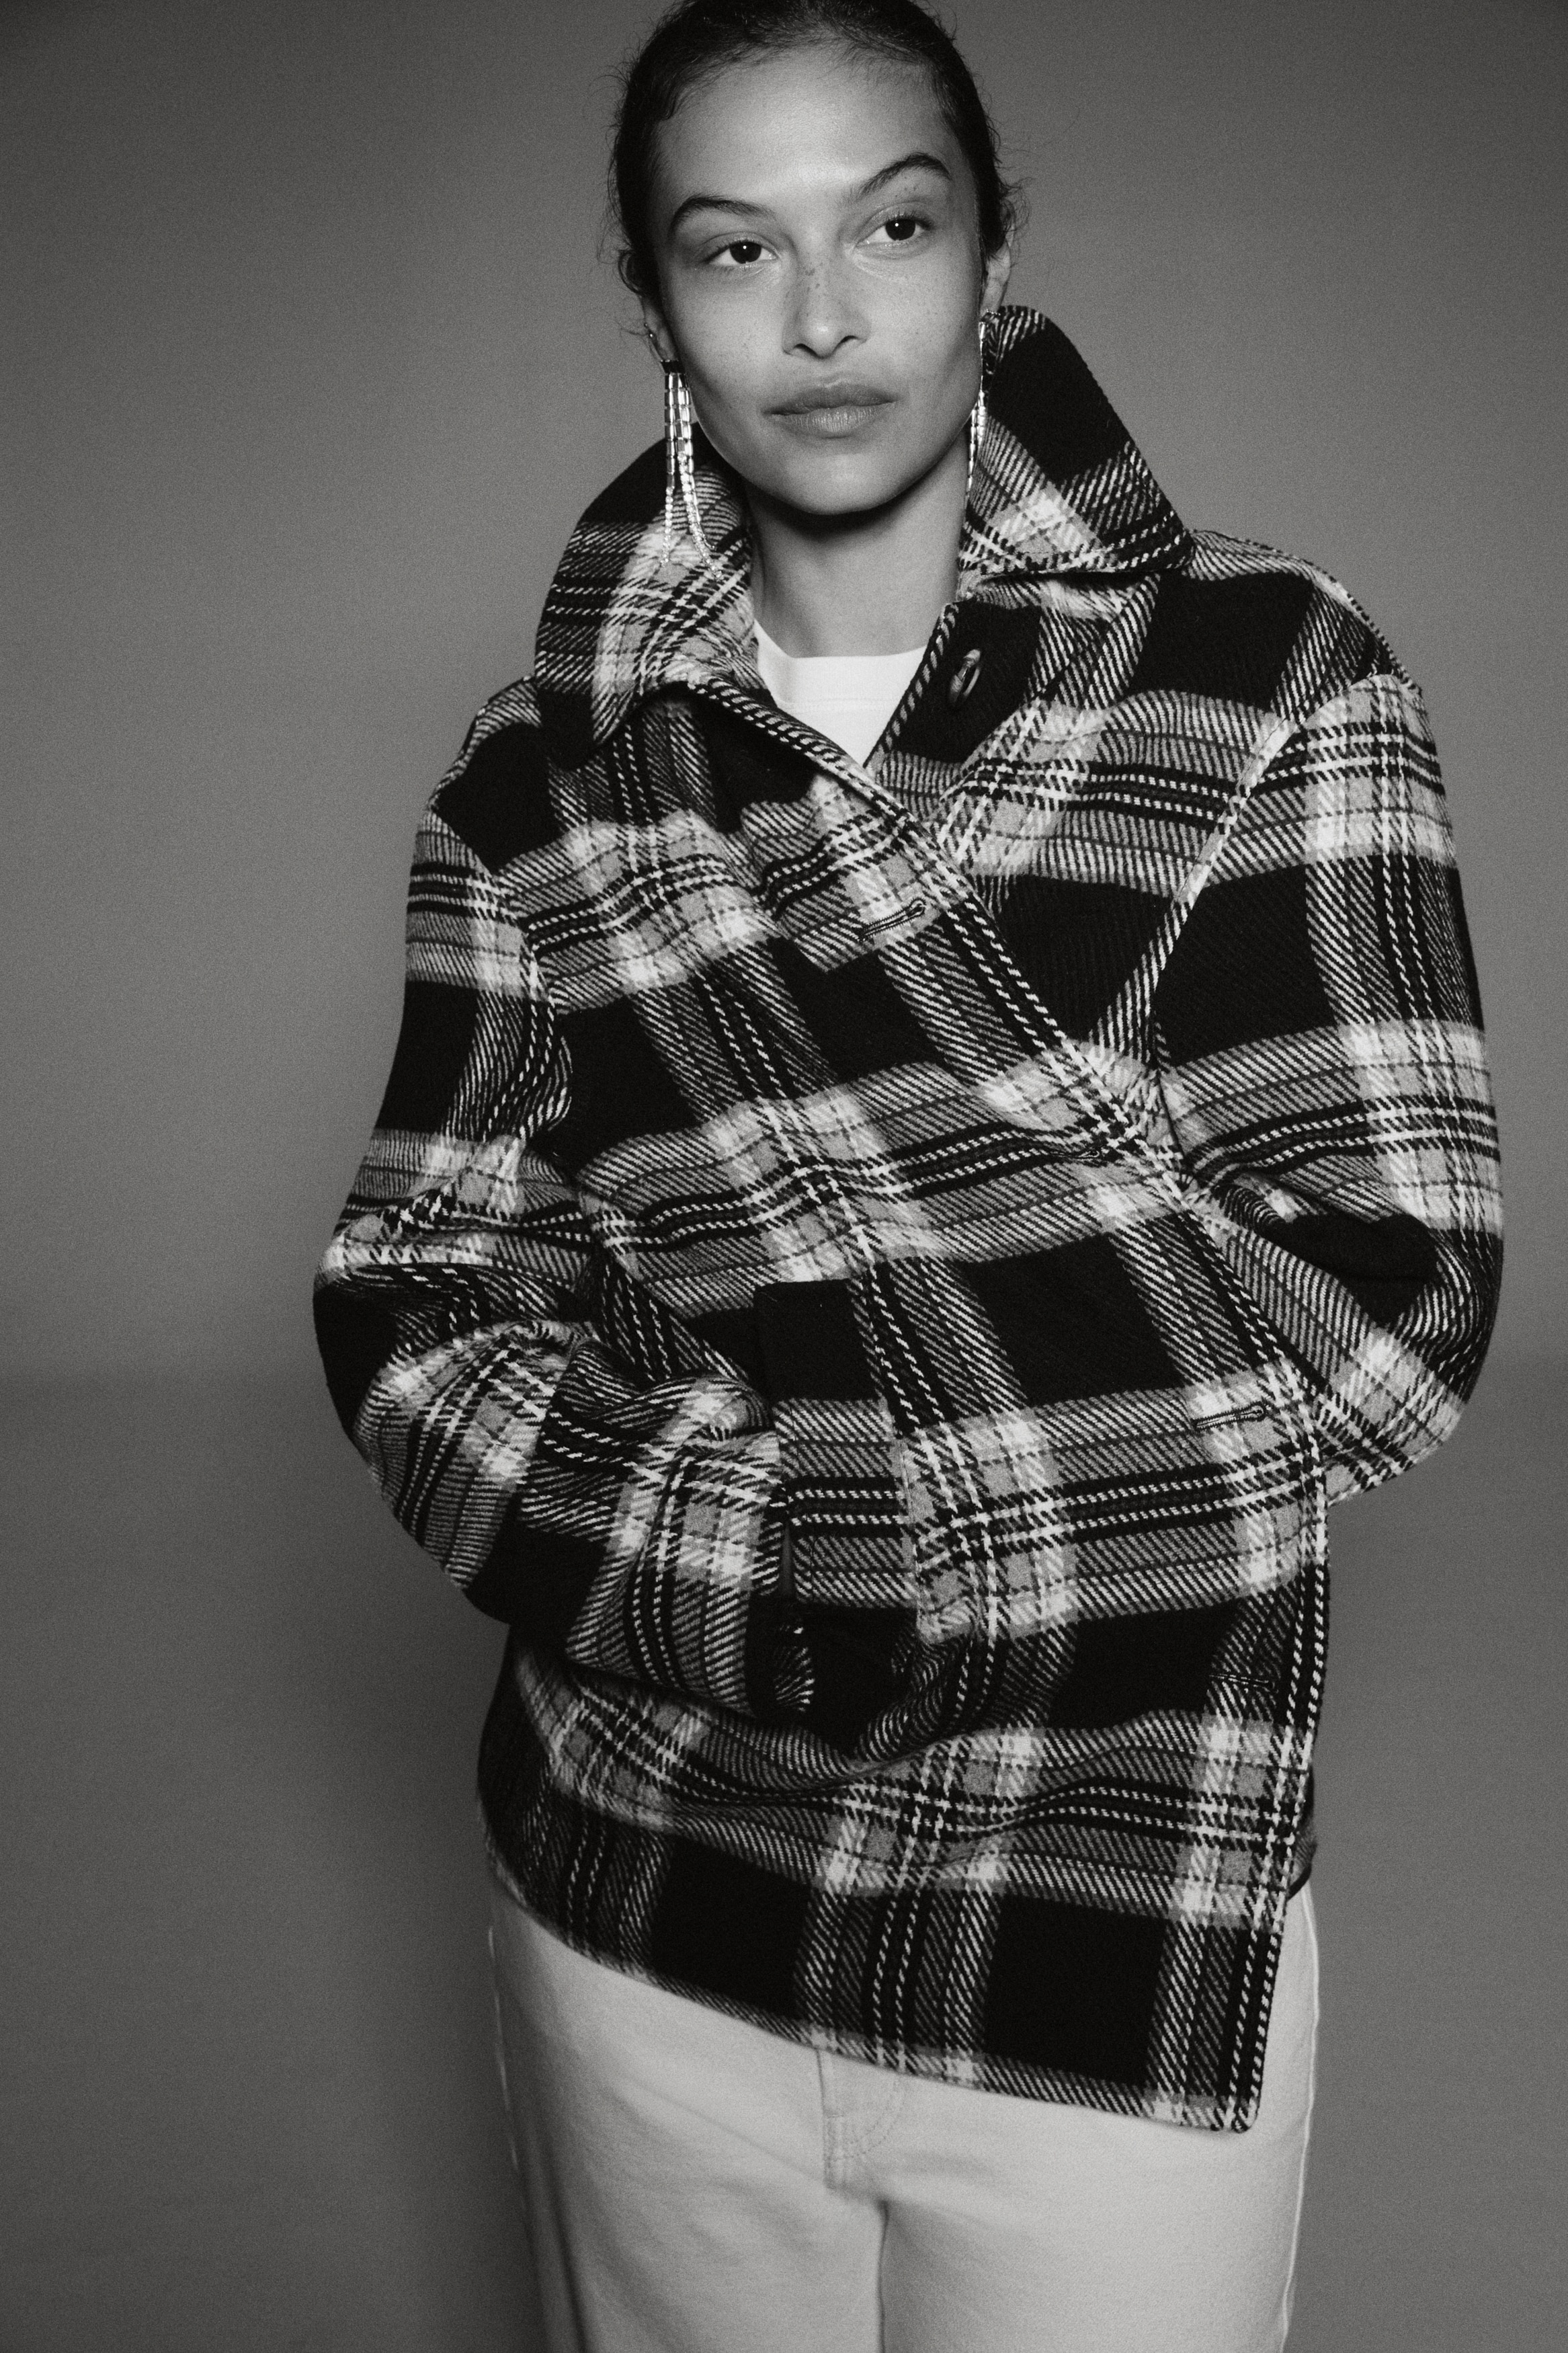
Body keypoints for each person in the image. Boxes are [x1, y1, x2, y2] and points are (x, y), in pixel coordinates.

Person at [313, 3, 1503, 2346]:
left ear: (992, 254)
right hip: (640, 1882)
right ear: (653, 300)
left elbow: (1377, 1328)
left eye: (894, 225)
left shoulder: (1269, 674)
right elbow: (428, 1308)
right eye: (734, 246)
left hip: (1113, 1902)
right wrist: (798, 1554)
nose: (825, 316)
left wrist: (754, 1392)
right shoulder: (531, 783)